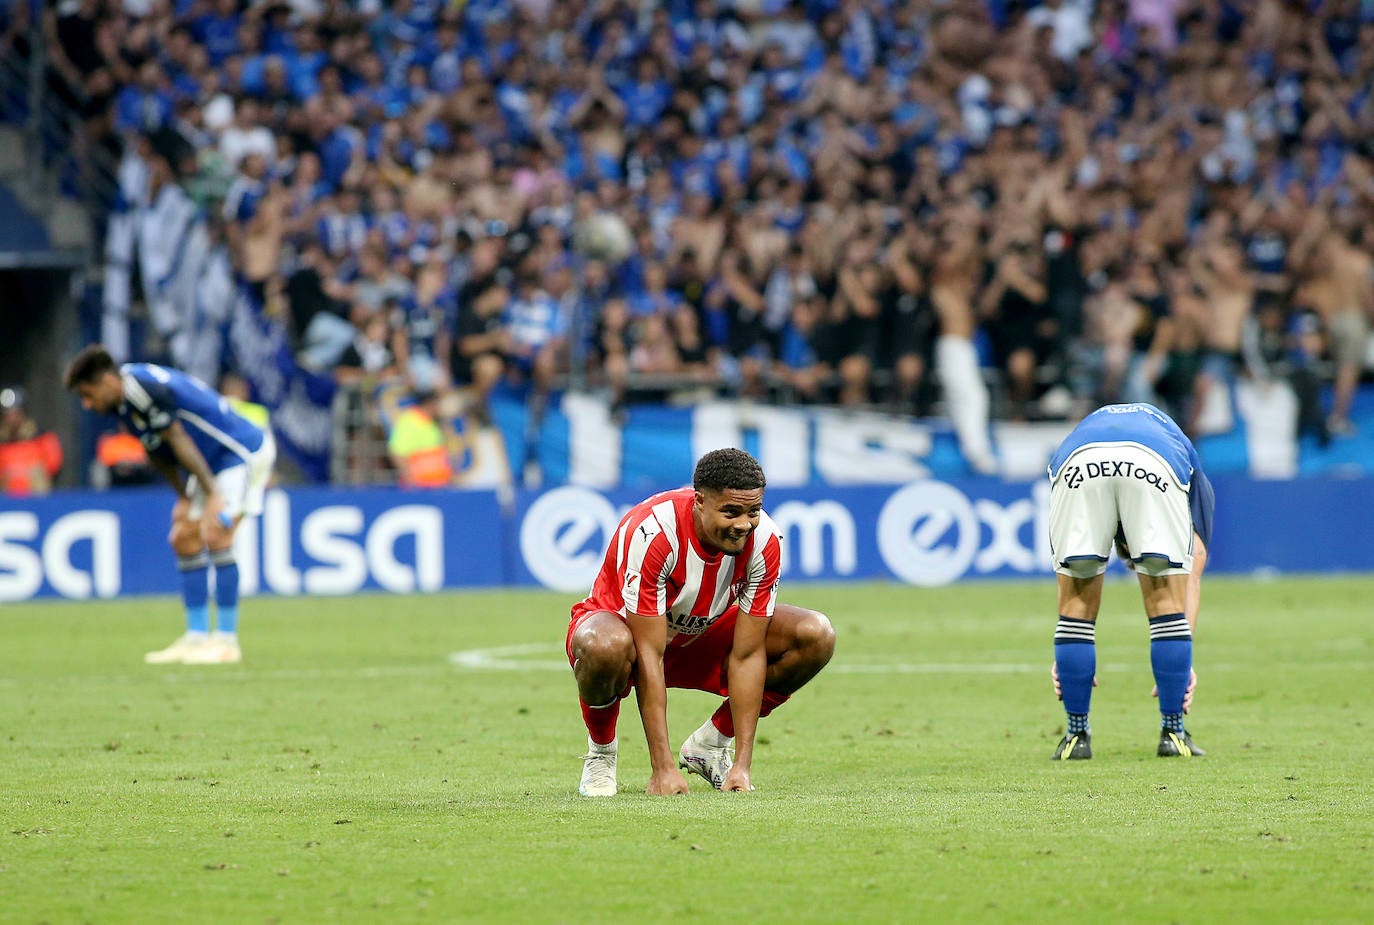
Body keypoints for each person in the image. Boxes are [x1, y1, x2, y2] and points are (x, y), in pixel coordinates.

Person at [567, 448, 836, 796]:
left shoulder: (766, 540)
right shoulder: (656, 533)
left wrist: (743, 764)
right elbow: (650, 654)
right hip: (629, 637)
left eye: (753, 511)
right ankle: (601, 754)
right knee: (603, 645)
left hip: (702, 634)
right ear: (699, 502)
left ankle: (711, 745)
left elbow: (748, 654)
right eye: (731, 512)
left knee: (815, 634)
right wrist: (661, 769)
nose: (743, 525)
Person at [64, 345, 276, 665]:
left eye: (88, 394)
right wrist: (184, 498)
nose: (87, 404)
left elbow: (178, 439)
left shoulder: (142, 388)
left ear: (107, 380)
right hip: (212, 462)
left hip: (239, 452)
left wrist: (212, 496)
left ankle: (227, 642)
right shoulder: (124, 404)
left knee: (216, 533)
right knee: (184, 537)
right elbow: (158, 452)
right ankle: (196, 637)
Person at [1046, 402, 1215, 760]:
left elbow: (1068, 603)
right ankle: (1173, 732)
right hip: (1154, 460)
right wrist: (1182, 663)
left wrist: (1068, 650)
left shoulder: (1092, 425)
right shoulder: (1190, 465)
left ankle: (1076, 737)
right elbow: (1192, 575)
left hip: (1078, 460)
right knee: (1165, 599)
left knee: (1075, 605)